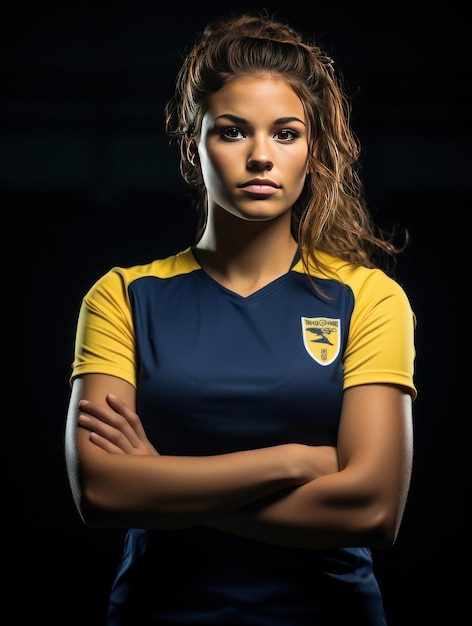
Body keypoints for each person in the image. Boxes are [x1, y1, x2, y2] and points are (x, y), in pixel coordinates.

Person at [65, 10, 417, 625]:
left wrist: (161, 486)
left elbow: (375, 509)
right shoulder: (121, 296)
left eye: (285, 133)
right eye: (232, 132)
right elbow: (100, 491)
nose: (261, 156)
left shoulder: (371, 297)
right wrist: (293, 461)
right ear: (192, 142)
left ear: (313, 149)